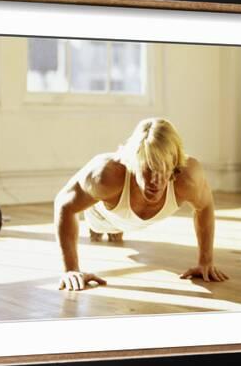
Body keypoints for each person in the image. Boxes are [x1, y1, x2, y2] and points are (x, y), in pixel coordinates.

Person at [54, 117, 229, 291]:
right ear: (133, 163)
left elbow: (204, 206)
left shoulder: (188, 178)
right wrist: (70, 269)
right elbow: (63, 204)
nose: (155, 181)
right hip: (102, 216)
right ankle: (105, 226)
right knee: (102, 229)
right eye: (148, 169)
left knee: (121, 229)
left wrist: (205, 262)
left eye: (163, 170)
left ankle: (118, 228)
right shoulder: (105, 176)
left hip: (130, 216)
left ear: (174, 166)